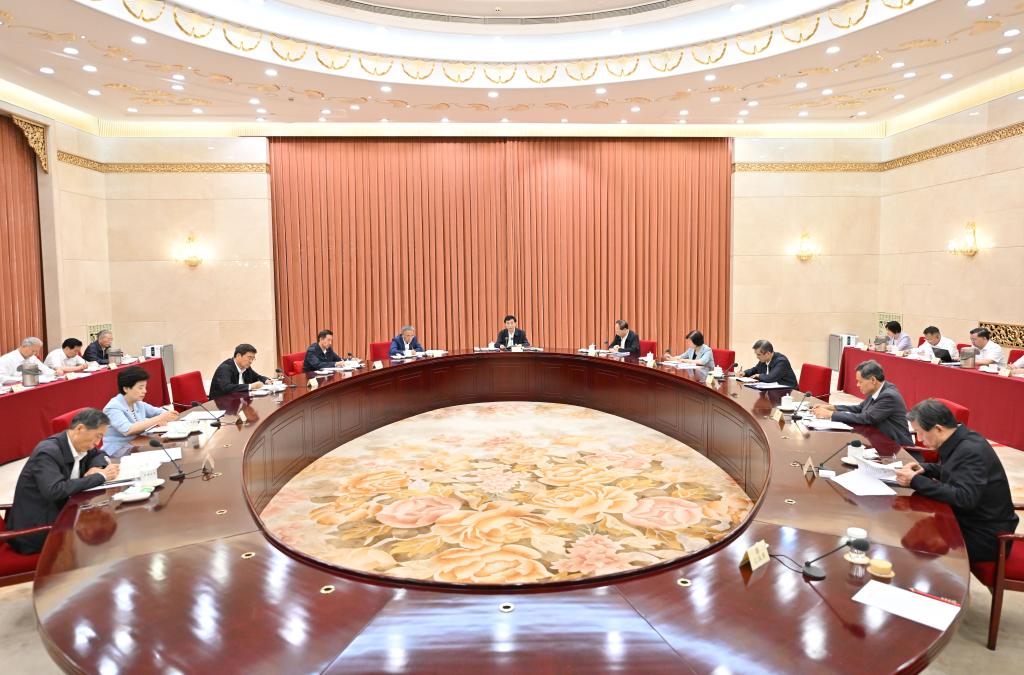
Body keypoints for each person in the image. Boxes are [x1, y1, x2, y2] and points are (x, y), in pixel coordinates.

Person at [894, 399, 1018, 564]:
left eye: (920, 433)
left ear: (938, 429)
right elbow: (952, 471)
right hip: (968, 521)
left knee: (918, 553)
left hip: (985, 536)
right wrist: (924, 468)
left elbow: (964, 498)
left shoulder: (970, 451)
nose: (920, 439)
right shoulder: (960, 440)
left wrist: (915, 481)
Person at [6, 408, 119, 554]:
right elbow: (54, 490)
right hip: (37, 530)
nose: (97, 443)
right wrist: (100, 477)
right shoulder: (47, 452)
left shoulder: (80, 444)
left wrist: (95, 468)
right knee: (96, 546)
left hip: (63, 513)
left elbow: (99, 454)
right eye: (97, 436)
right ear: (80, 429)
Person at [812, 359, 913, 446]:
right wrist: (831, 407)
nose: (857, 385)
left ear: (873, 380)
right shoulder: (878, 389)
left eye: (860, 382)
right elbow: (860, 408)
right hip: (878, 440)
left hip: (897, 447)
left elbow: (866, 418)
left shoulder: (889, 396)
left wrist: (830, 414)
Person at [103, 366, 178, 453]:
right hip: (118, 452)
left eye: (145, 387)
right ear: (126, 388)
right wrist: (159, 419)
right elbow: (128, 430)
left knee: (169, 446)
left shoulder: (137, 403)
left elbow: (158, 412)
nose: (145, 391)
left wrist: (168, 415)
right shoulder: (112, 408)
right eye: (140, 388)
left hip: (138, 444)